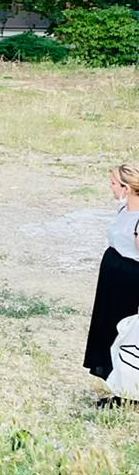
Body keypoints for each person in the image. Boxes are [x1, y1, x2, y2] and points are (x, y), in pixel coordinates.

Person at [83, 163, 139, 407]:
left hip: (129, 284)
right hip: (113, 281)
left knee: (126, 335)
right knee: (109, 332)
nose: (111, 187)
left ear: (127, 187)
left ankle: (128, 395)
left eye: (114, 184)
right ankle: (117, 385)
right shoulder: (124, 210)